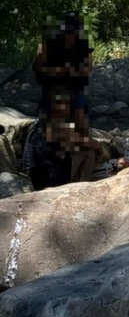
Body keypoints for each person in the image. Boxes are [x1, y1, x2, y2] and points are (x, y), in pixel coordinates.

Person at [24, 12, 98, 189]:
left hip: (74, 87)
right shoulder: (50, 44)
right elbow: (38, 68)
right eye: (68, 33)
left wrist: (70, 71)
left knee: (80, 131)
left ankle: (79, 180)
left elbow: (87, 68)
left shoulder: (82, 45)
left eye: (74, 33)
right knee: (59, 132)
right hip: (54, 88)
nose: (70, 37)